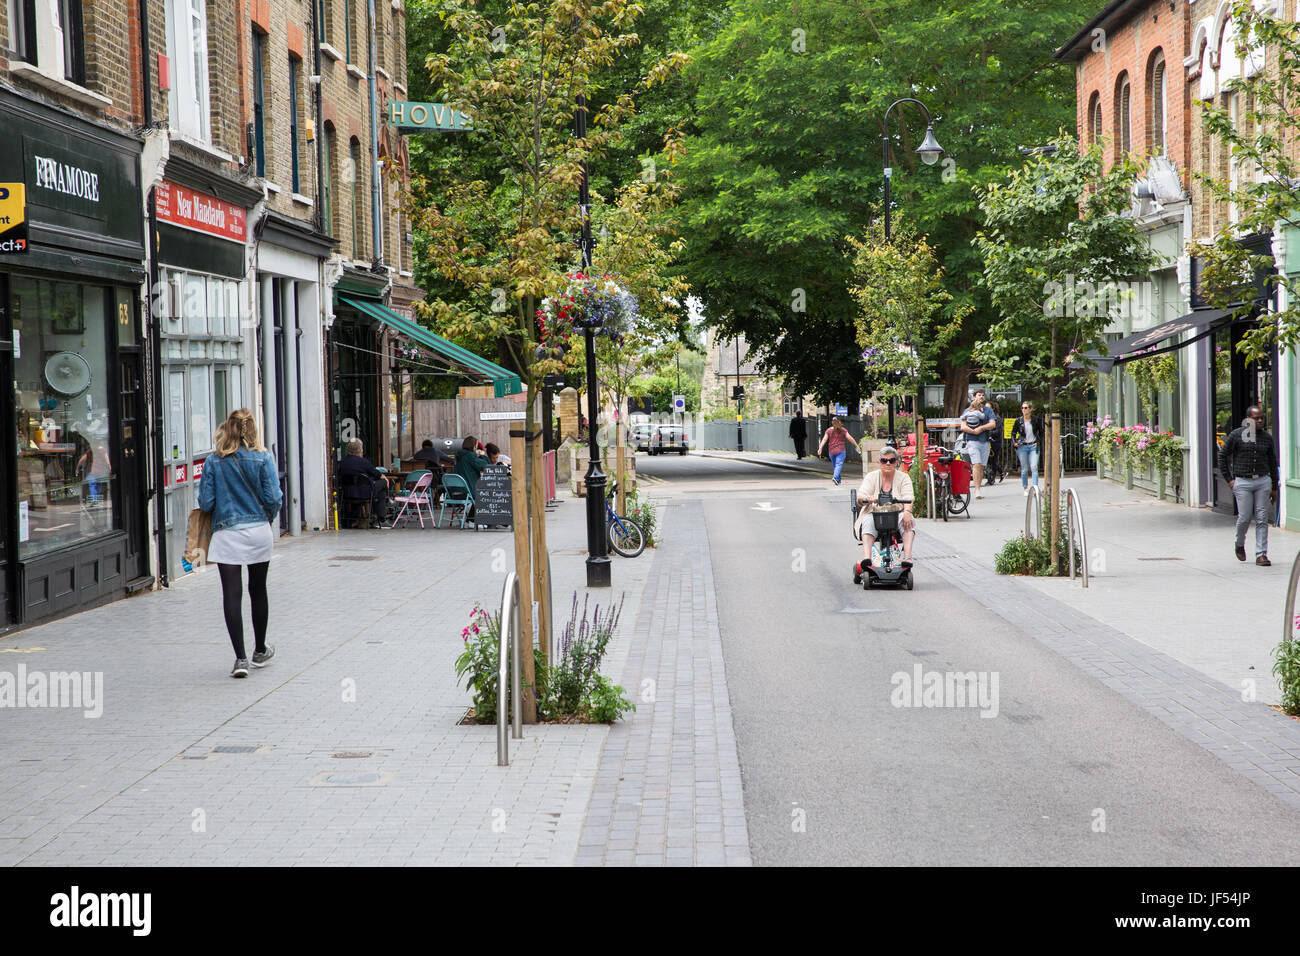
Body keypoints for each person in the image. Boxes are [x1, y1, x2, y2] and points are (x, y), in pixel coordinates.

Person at [198, 409, 283, 679]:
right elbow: (274, 498)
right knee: (258, 589)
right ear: (252, 430)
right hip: (258, 531)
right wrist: (264, 519)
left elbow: (206, 503)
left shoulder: (214, 461)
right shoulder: (263, 458)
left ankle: (241, 659)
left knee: (231, 595)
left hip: (227, 533)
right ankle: (260, 649)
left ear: (228, 429)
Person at [1219, 405, 1279, 566]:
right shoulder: (1237, 435)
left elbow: (1273, 462)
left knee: (1261, 518)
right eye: (1256, 418)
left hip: (1262, 481)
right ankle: (1239, 543)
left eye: (1262, 417)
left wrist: (1274, 486)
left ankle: (1261, 554)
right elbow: (1222, 456)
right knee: (1244, 517)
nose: (1260, 420)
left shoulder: (1266, 438)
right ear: (1248, 419)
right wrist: (1230, 480)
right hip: (1243, 482)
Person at [853, 447, 915, 582]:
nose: (888, 463)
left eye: (891, 460)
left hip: (896, 513)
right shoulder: (871, 477)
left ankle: (908, 558)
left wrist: (907, 512)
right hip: (874, 512)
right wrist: (868, 499)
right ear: (879, 462)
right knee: (868, 521)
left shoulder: (904, 477)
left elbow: (909, 497)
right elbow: (861, 496)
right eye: (884, 460)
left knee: (908, 521)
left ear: (896, 462)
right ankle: (867, 558)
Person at [338, 439, 390, 527]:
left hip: (347, 493)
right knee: (383, 483)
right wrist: (385, 479)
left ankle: (357, 518)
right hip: (365, 494)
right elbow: (376, 474)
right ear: (360, 450)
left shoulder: (342, 463)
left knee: (378, 490)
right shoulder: (363, 462)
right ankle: (381, 517)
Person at [958, 389, 996, 499]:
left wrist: (981, 428)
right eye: (979, 395)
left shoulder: (988, 411)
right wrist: (973, 431)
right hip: (972, 441)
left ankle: (977, 487)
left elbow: (992, 424)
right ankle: (977, 490)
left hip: (984, 441)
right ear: (974, 397)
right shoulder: (967, 410)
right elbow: (963, 426)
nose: (981, 397)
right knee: (976, 464)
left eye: (983, 395)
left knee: (982, 466)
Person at [1011, 400, 1043, 496]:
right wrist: (1014, 442)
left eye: (1026, 408)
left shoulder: (1036, 420)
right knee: (1024, 469)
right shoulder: (1018, 421)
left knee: (1034, 467)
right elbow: (1013, 433)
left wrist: (1038, 441)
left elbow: (1041, 432)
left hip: (1033, 445)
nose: (1023, 410)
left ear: (1030, 409)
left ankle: (1035, 488)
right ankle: (1025, 488)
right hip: (1022, 446)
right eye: (1022, 408)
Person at [816, 416, 860, 486]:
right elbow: (850, 438)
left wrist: (820, 448)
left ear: (832, 422)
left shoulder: (828, 430)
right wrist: (856, 445)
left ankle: (838, 480)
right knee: (838, 465)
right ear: (840, 422)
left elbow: (824, 440)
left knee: (836, 466)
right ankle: (835, 477)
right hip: (841, 451)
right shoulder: (843, 430)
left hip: (832, 452)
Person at [453, 435, 490, 517]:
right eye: (476, 446)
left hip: (454, 492)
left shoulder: (459, 456)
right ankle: (473, 519)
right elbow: (485, 465)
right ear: (474, 446)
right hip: (467, 492)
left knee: (479, 492)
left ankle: (471, 519)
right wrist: (482, 455)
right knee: (485, 493)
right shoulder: (470, 456)